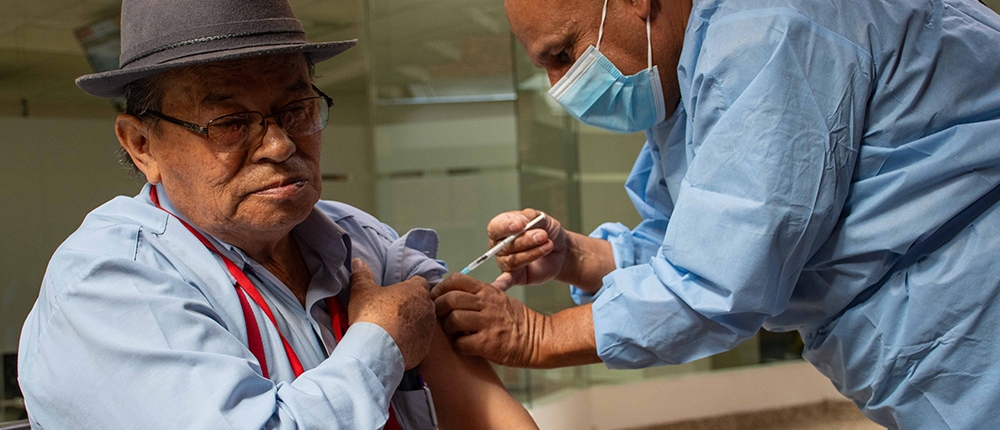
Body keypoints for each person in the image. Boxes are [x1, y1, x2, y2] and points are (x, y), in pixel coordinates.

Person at [431, 0, 1000, 427]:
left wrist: (535, 335)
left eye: (563, 54)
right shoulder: (687, 75)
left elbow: (718, 282)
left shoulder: (768, 27)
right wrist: (574, 257)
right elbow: (687, 245)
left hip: (972, 314)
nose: (559, 86)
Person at [16, 0, 537, 428]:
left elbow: (485, 413)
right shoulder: (111, 281)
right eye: (230, 122)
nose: (280, 143)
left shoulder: (358, 240)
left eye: (298, 109)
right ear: (141, 145)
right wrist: (382, 343)